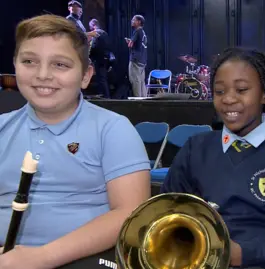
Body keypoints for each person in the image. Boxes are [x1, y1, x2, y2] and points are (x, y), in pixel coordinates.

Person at [0, 14, 151, 269]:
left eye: (60, 65)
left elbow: (130, 213)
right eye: (29, 61)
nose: (43, 74)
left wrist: (40, 258)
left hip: (89, 259)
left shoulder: (113, 129)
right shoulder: (3, 127)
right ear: (15, 65)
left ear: (85, 75)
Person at [161, 47, 265, 268]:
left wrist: (242, 254)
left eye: (242, 89)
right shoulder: (195, 148)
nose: (228, 99)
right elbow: (165, 215)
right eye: (219, 91)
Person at [125, 15, 147, 97]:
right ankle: (144, 100)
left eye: (133, 20)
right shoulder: (143, 32)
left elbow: (130, 44)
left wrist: (128, 42)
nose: (132, 21)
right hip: (143, 60)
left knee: (135, 80)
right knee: (141, 81)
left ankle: (138, 101)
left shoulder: (137, 31)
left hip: (135, 60)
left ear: (139, 22)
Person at [89, 19, 111, 98]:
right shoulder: (105, 33)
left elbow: (94, 46)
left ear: (93, 25)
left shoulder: (96, 33)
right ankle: (106, 96)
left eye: (90, 26)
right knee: (104, 78)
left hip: (99, 59)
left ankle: (105, 97)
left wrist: (89, 56)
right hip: (106, 58)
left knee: (101, 79)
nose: (90, 29)